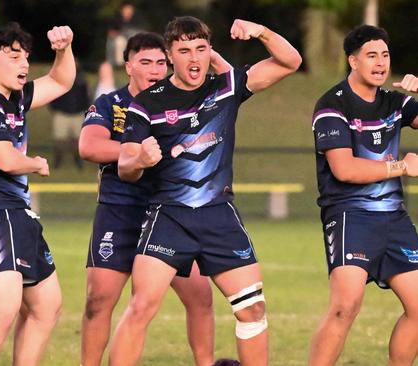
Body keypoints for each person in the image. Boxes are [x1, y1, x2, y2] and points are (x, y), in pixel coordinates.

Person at [110, 16, 302, 365]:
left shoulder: (225, 87)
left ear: (210, 52)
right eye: (184, 50)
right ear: (169, 55)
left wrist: (261, 31)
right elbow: (124, 167)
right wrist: (139, 157)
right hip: (169, 216)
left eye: (201, 49)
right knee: (141, 308)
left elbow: (290, 62)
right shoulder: (147, 104)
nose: (194, 58)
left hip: (218, 216)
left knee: (252, 309)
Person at [80, 32, 232, 366]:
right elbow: (89, 146)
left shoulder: (183, 99)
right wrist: (134, 153)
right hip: (120, 211)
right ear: (128, 65)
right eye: (145, 62)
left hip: (169, 213)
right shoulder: (111, 104)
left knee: (200, 297)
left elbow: (228, 83)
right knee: (99, 299)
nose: (154, 69)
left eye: (161, 62)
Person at [0, 23, 75, 365]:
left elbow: (62, 82)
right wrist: (35, 163)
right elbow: (4, 159)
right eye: (14, 56)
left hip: (17, 213)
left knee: (46, 307)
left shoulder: (14, 98)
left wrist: (63, 49)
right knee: (3, 312)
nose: (24, 65)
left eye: (26, 57)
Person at [309, 25, 418, 366]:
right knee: (346, 306)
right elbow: (345, 170)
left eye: (385, 55)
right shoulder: (331, 105)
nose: (380, 62)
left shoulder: (396, 102)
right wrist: (401, 167)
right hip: (349, 217)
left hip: (394, 218)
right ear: (352, 61)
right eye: (371, 55)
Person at [50, 61, 89, 170]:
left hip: (78, 114)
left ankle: (78, 161)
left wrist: (85, 111)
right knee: (59, 140)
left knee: (77, 141)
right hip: (62, 114)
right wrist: (54, 109)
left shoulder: (82, 81)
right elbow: (53, 95)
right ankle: (57, 161)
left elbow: (86, 97)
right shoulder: (60, 79)